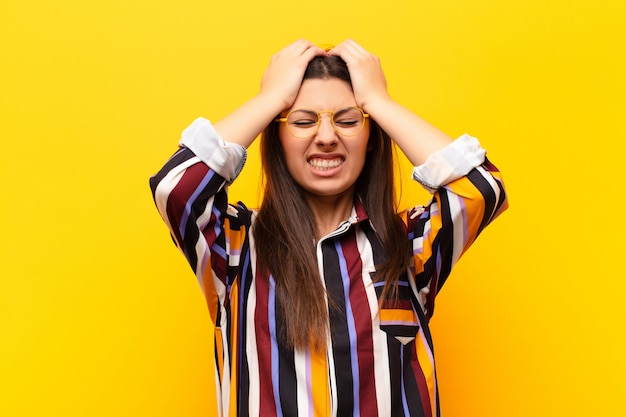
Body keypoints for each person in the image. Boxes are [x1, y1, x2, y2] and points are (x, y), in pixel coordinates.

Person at [150, 39, 508, 417]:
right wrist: (270, 99)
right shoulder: (234, 249)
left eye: (348, 120)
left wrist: (379, 103)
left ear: (371, 137)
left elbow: (482, 188)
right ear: (278, 137)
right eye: (303, 122)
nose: (325, 136)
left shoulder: (410, 245)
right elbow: (175, 188)